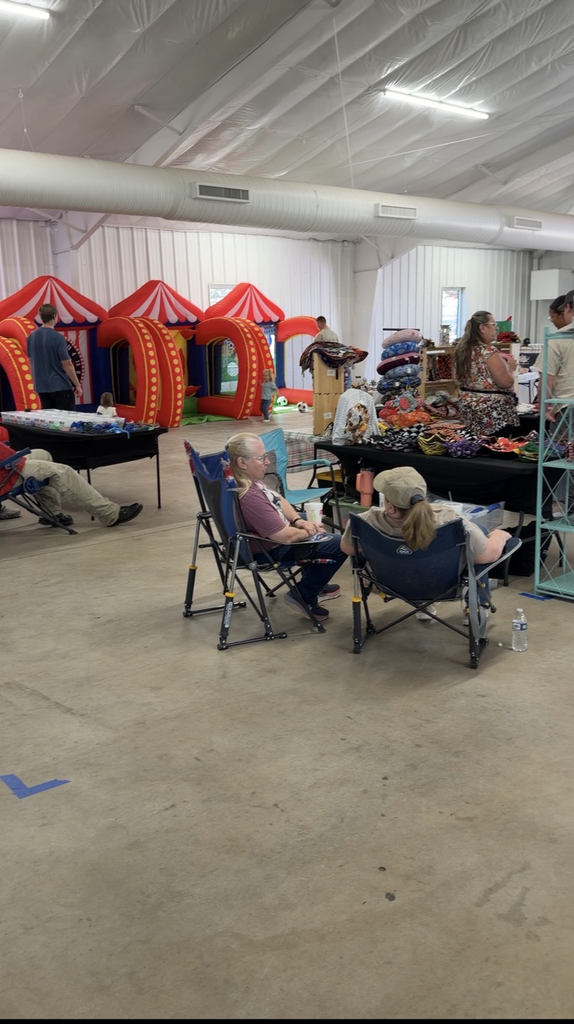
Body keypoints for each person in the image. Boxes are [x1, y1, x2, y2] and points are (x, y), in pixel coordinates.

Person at [340, 466, 511, 621]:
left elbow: (347, 548)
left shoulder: (367, 521)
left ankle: (422, 604)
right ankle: (476, 608)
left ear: (390, 507)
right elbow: (487, 556)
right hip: (446, 585)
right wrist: (499, 536)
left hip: (391, 583)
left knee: (374, 551)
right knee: (478, 539)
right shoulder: (450, 520)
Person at [224, 432, 347, 622]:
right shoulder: (250, 497)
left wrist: (299, 521)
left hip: (264, 539)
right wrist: (309, 531)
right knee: (341, 544)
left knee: (311, 519)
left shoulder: (248, 481)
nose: (267, 462)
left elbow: (278, 499)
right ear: (242, 462)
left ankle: (315, 581)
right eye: (261, 457)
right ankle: (304, 594)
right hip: (269, 549)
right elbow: (285, 537)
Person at [0, 442, 143, 528]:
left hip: (8, 462)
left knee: (43, 454)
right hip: (5, 472)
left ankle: (52, 514)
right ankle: (110, 514)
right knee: (62, 471)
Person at [452, 310, 519, 436]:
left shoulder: (461, 351)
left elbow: (455, 378)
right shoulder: (488, 352)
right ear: (482, 327)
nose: (496, 329)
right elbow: (505, 382)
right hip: (492, 413)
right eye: (494, 325)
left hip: (468, 408)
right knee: (494, 447)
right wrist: (511, 368)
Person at [27, 303, 82, 411]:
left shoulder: (31, 337)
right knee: (66, 422)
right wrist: (77, 385)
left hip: (42, 387)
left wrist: (35, 382)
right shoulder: (58, 338)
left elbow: (31, 362)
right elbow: (67, 364)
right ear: (54, 316)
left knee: (50, 423)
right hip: (60, 386)